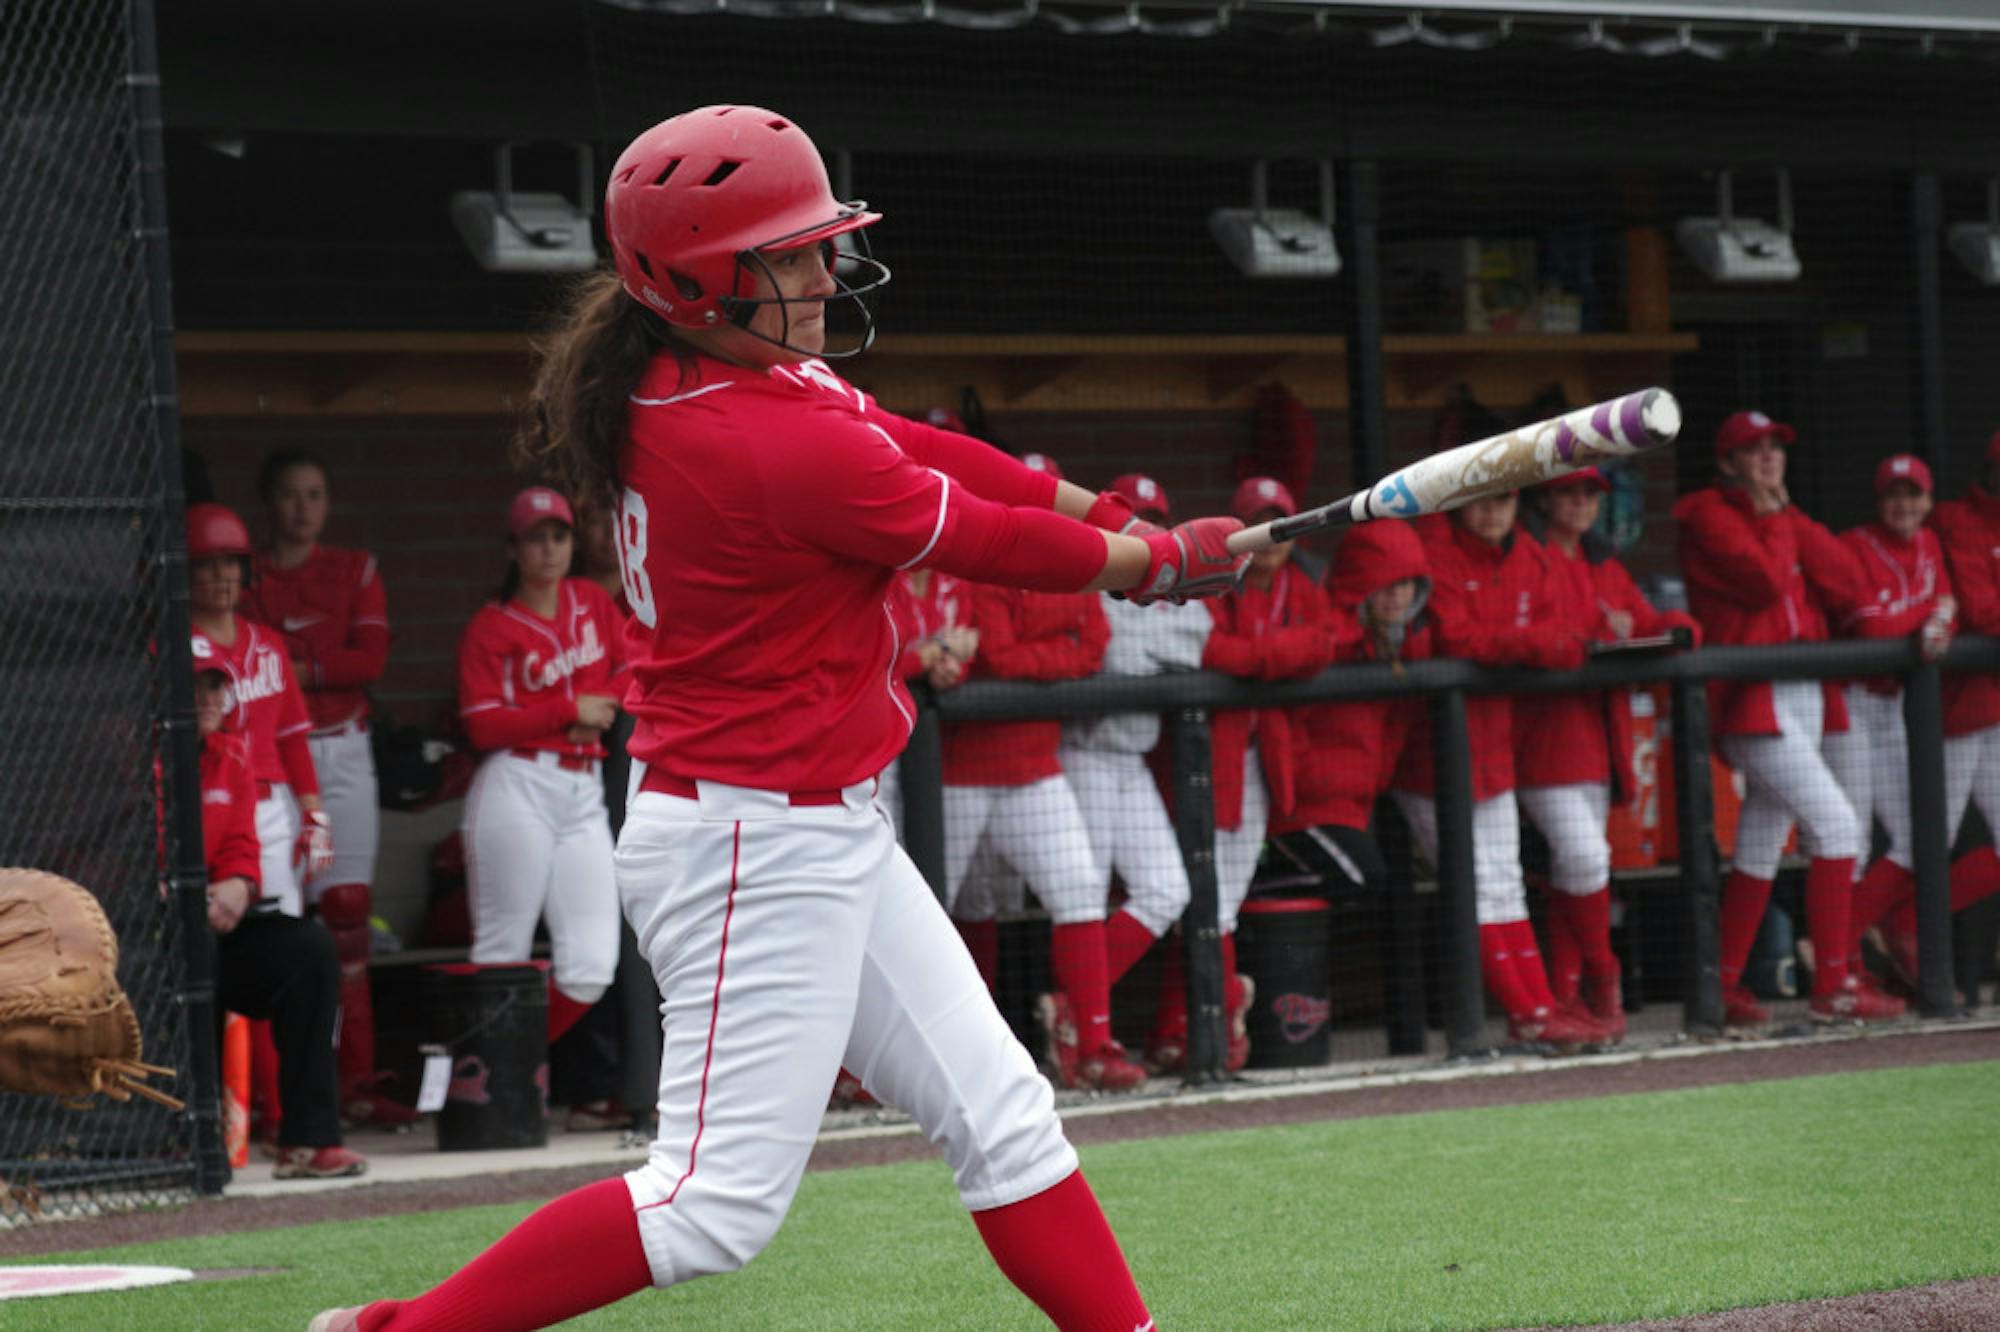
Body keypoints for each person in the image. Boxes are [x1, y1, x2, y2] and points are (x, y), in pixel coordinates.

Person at [311, 103, 1243, 1332]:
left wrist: (1113, 514)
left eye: (815, 242)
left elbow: (937, 448)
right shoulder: (761, 443)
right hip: (750, 842)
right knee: (710, 1207)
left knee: (1002, 1114)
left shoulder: (704, 369)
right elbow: (987, 537)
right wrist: (1154, 560)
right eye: (789, 253)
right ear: (699, 278)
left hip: (814, 825)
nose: (821, 269)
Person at [1673, 410, 1900, 1025]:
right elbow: (1765, 584)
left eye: (1775, 446)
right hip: (1754, 697)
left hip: (1804, 695)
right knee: (1837, 828)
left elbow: (1848, 583)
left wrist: (1788, 515)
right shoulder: (1707, 514)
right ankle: (1834, 985)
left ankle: (1722, 984)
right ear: (1728, 464)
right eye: (1754, 450)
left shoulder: (1782, 516)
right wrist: (1776, 520)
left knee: (1761, 846)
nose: (1770, 457)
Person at [1391, 492, 1606, 1050]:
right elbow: (1457, 640)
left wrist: (1518, 646)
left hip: (1494, 748)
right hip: (1430, 756)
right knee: (1477, 887)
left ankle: (1537, 1011)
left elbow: (1568, 637)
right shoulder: (1434, 551)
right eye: (1479, 501)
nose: (1492, 512)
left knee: (1504, 883)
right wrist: (1529, 644)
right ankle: (1531, 1011)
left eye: (1504, 500)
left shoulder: (1530, 556)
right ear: (1459, 505)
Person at [246, 449, 405, 1126]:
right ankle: (278, 1096)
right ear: (269, 504)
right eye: (288, 494)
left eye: (314, 494)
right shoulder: (245, 576)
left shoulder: (355, 568)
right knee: (283, 927)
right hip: (273, 760)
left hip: (342, 751)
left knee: (345, 917)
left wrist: (288, 659)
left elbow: (367, 660)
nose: (301, 507)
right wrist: (315, 662)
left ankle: (357, 1082)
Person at [1514, 468, 1699, 1043]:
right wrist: (1598, 627)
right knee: (1586, 859)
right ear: (1546, 500)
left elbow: (1643, 621)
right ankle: (1603, 972)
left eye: (1590, 494)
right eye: (1570, 492)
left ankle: (1570, 996)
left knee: (1580, 869)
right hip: (1541, 736)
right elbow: (1532, 629)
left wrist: (1678, 627)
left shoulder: (1601, 563)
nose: (1582, 503)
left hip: (1598, 737)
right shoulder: (1526, 552)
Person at [1167, 476, 1339, 1072]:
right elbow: (1209, 654)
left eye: (1281, 525)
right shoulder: (1214, 581)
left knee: (1221, 901)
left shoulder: (1302, 584)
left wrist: (1259, 663)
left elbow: (1324, 644)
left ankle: (1203, 1028)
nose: (1272, 539)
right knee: (1196, 899)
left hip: (1264, 761)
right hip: (1201, 762)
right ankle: (1201, 1027)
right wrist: (1273, 662)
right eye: (1260, 524)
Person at [455, 486, 630, 1048]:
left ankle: (509, 1061)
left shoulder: (592, 603)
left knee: (590, 967)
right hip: (518, 782)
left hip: (583, 792)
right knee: (502, 949)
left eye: (558, 536)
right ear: (513, 550)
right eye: (535, 539)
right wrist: (564, 712)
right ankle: (489, 1080)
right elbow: (480, 724)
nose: (548, 550)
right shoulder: (492, 623)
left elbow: (637, 668)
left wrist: (601, 706)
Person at [1049, 472, 1210, 1075]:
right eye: (1131, 514)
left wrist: (1143, 654)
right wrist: (1151, 655)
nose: (1141, 525)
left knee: (1169, 889)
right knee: (1081, 897)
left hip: (1132, 758)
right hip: (1085, 753)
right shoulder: (1088, 572)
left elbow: (1197, 643)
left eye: (1152, 514)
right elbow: (1108, 654)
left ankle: (1069, 1005)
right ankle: (1088, 1034)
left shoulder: (1170, 580)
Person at [191, 631, 366, 1179]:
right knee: (194, 960)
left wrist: (241, 882)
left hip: (223, 919)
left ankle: (307, 1141)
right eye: (193, 690)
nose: (206, 702)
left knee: (308, 949)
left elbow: (243, 842)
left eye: (215, 690)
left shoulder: (233, 754)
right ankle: (190, 1143)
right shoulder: (142, 756)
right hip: (161, 931)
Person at [1266, 517, 1432, 1019]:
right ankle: (1253, 879)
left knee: (1371, 882)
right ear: (1361, 582)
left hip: (1354, 803)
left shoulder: (1400, 645)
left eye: (1407, 584)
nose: (1397, 596)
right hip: (1305, 807)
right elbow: (1284, 719)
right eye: (1386, 584)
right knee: (1365, 877)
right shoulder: (1330, 635)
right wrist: (1294, 784)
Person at [1890, 438, 2000, 985]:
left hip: (1994, 706)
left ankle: (1905, 920)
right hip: (1956, 706)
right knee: (1928, 836)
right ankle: (1896, 923)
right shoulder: (1958, 520)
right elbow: (1979, 610)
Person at [187, 502, 330, 921]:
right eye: (209, 565)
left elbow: (292, 739)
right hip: (206, 799)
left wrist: (313, 813)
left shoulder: (269, 644)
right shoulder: (171, 645)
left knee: (281, 922)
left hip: (269, 806)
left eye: (231, 564)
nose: (223, 576)